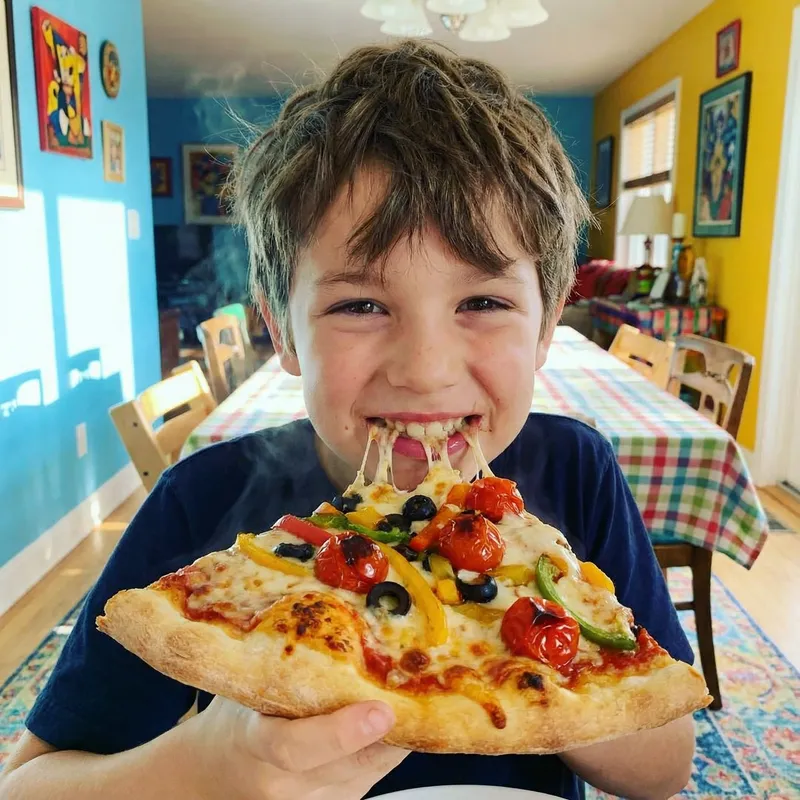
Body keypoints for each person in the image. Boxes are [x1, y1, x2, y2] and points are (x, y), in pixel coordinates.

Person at [0, 40, 696, 800]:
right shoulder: (202, 500)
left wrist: (565, 676)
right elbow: (30, 784)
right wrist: (204, 769)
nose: (425, 368)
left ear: (545, 328)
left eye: (483, 302)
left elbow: (665, 772)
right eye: (360, 305)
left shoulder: (577, 471)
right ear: (283, 331)